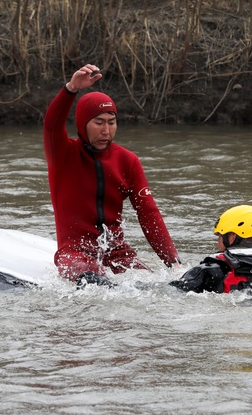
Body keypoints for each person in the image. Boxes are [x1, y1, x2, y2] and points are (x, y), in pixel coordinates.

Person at [44, 63, 181, 285]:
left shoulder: (127, 161)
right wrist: (71, 89)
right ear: (82, 123)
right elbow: (51, 125)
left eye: (112, 122)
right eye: (98, 123)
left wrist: (172, 261)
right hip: (75, 254)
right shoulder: (62, 155)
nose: (106, 131)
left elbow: (148, 213)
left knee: (156, 286)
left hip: (117, 253)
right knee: (95, 282)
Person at [171, 205, 252, 297]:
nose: (218, 241)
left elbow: (171, 293)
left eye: (219, 235)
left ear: (232, 237)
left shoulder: (212, 270)